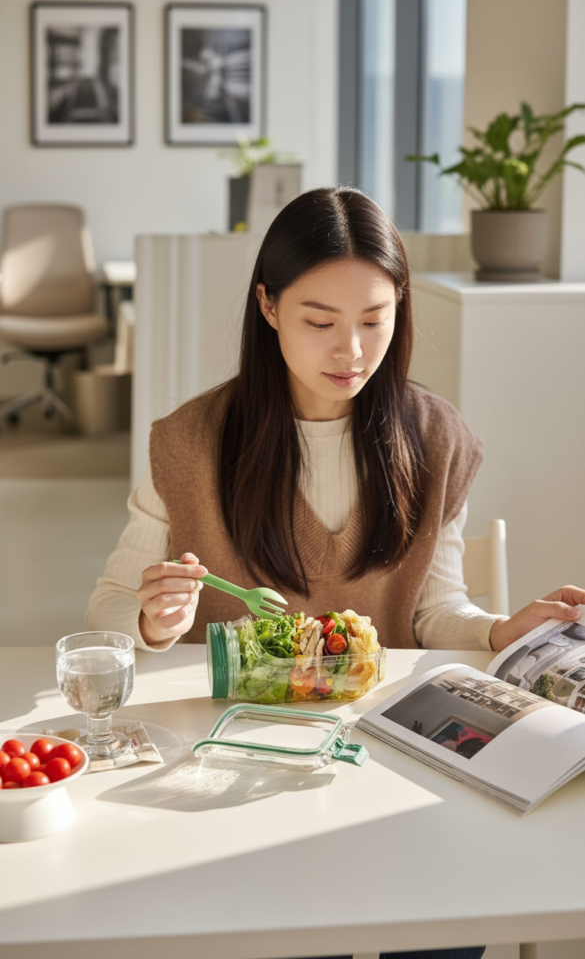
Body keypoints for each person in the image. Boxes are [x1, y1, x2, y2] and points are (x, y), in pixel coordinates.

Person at [87, 187, 585, 959]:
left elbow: (428, 612)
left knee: (443, 931)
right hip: (242, 759)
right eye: (320, 321)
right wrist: (155, 622)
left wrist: (493, 629)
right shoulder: (188, 443)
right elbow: (110, 612)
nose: (350, 350)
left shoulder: (435, 439)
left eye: (373, 319)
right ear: (269, 306)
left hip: (387, 752)